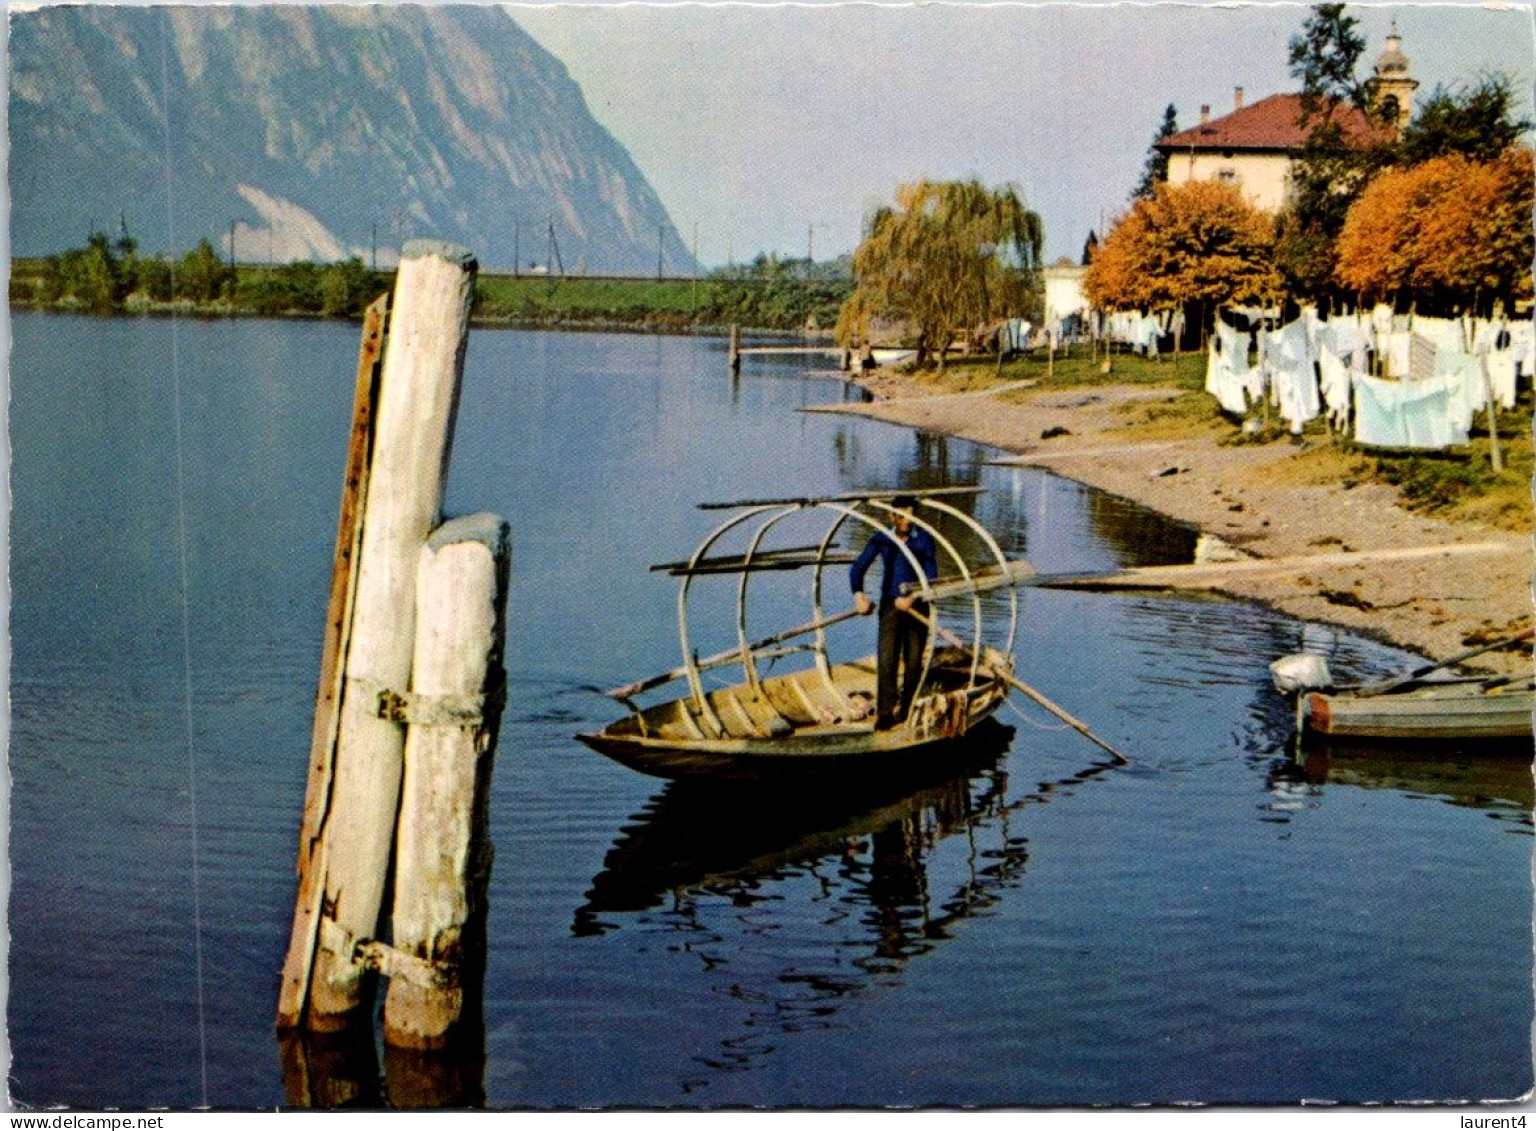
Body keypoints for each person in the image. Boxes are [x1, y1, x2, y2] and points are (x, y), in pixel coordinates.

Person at [849, 496, 939, 730]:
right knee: (887, 659)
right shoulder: (883, 538)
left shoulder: (924, 540)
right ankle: (886, 713)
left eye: (909, 517)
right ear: (891, 516)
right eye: (900, 516)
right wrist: (859, 595)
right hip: (890, 605)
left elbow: (931, 576)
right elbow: (858, 567)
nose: (905, 522)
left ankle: (908, 709)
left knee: (913, 661)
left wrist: (913, 597)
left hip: (917, 606)